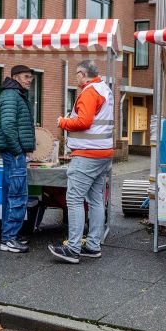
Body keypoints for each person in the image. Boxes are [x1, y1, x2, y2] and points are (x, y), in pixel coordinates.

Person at [48, 60, 114, 264]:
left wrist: (62, 122)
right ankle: (93, 245)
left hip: (87, 155)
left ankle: (73, 248)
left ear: (82, 74)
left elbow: (84, 122)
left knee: (74, 199)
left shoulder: (89, 92)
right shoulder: (105, 90)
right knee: (96, 200)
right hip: (103, 154)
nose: (75, 78)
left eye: (77, 74)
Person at [0, 65, 36, 253]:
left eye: (31, 78)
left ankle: (10, 235)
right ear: (16, 77)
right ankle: (9, 239)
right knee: (16, 196)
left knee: (13, 195)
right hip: (14, 154)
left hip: (13, 153)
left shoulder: (14, 94)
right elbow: (8, 125)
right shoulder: (12, 95)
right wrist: (19, 151)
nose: (30, 80)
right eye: (27, 77)